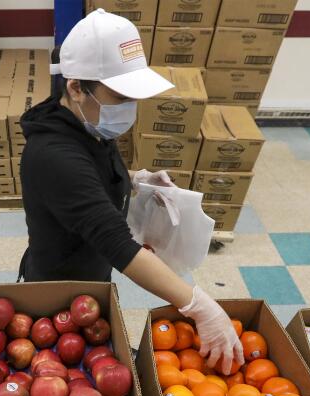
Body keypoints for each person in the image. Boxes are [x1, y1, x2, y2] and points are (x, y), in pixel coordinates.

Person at [18, 9, 242, 372]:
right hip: (60, 291)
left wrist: (134, 179)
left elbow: (90, 171)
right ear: (76, 87)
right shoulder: (53, 155)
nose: (130, 108)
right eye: (121, 95)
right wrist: (198, 305)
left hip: (91, 270)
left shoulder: (83, 121)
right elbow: (119, 246)